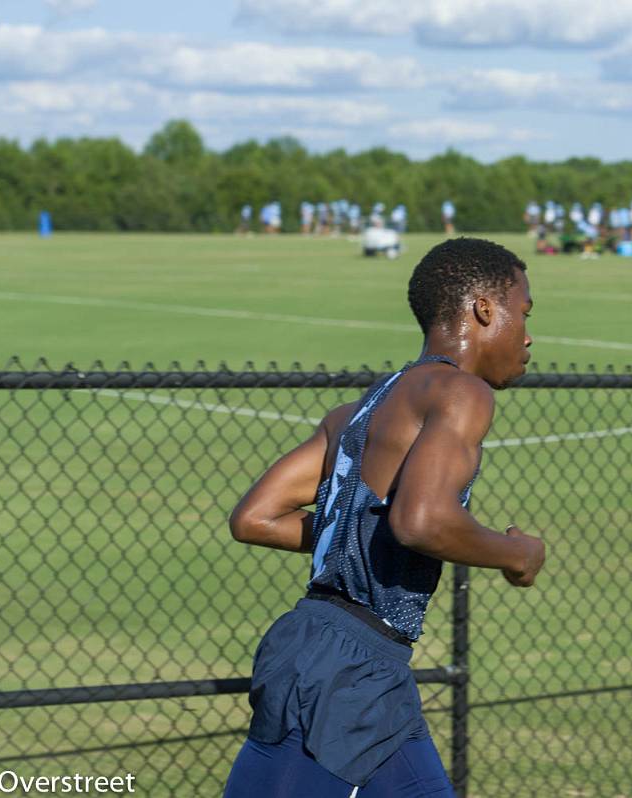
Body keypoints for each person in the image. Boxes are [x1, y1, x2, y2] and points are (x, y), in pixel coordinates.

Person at [223, 238, 546, 798]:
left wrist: (354, 534)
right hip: (345, 675)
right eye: (524, 312)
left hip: (350, 660)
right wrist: (518, 553)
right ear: (484, 309)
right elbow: (421, 521)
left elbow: (256, 518)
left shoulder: (357, 410)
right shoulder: (459, 392)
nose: (528, 333)